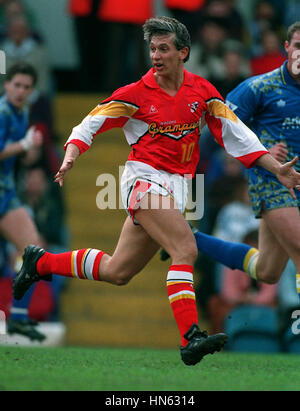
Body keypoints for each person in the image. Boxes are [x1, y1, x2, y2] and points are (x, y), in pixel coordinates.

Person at [12, 17, 300, 366]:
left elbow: (237, 134)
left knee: (118, 271)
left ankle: (39, 261)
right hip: (143, 183)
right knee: (184, 248)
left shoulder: (202, 92)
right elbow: (92, 121)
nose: (156, 55)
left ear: (184, 52)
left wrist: (275, 168)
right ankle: (190, 336)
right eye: (152, 49)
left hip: (177, 190)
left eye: (164, 48)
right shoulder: (136, 94)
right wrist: (72, 153)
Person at [163, 21, 300, 303]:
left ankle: (191, 238)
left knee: (268, 270)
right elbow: (219, 126)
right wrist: (260, 153)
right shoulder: (260, 86)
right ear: (287, 48)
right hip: (272, 182)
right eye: (298, 46)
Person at [0, 62, 51, 341]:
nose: (20, 91)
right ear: (7, 85)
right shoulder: (2, 112)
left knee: (33, 252)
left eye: (26, 87)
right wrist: (24, 146)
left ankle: (18, 317)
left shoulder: (21, 113)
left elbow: (18, 155)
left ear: (32, 91)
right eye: (16, 85)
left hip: (5, 197)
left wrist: (30, 150)